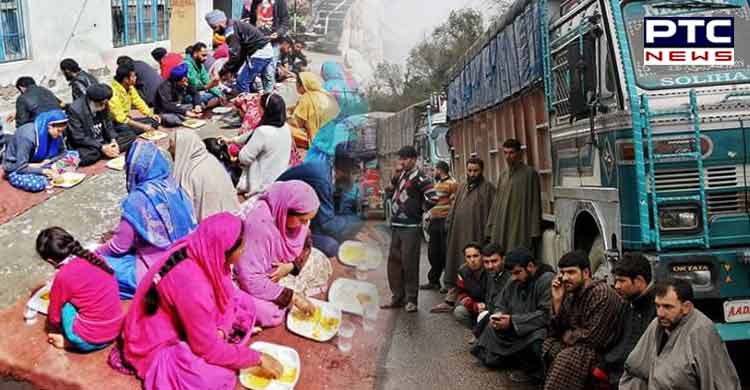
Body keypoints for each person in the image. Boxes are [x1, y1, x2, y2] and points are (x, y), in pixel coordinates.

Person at [122, 213, 284, 389]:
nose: (245, 250)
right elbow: (206, 349)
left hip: (188, 313)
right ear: (224, 251)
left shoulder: (203, 249)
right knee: (217, 378)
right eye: (242, 246)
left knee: (243, 301)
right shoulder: (192, 285)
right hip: (157, 341)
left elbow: (227, 292)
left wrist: (222, 329)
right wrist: (257, 358)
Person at [97, 141, 196, 283]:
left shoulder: (137, 199)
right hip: (189, 254)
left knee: (96, 265)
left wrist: (95, 252)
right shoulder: (173, 185)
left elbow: (118, 247)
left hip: (161, 268)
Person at [620, 279, 740, 390]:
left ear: (686, 307)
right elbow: (634, 367)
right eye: (657, 306)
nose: (660, 313)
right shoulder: (658, 324)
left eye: (667, 307)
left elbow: (720, 384)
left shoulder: (701, 332)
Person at [235, 181, 318, 327]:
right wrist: (293, 297)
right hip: (252, 276)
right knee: (272, 314)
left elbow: (306, 243)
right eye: (302, 220)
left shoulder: (292, 221)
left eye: (308, 220)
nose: (305, 225)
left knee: (319, 261)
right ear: (286, 211)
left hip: (280, 269)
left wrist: (291, 266)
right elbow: (249, 277)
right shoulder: (259, 224)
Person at [471, 248, 554, 383]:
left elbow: (546, 315)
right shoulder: (514, 279)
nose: (514, 277)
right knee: (489, 352)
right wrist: (499, 315)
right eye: (512, 274)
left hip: (534, 327)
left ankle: (534, 372)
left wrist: (513, 321)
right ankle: (513, 359)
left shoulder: (546, 279)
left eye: (517, 273)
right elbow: (501, 303)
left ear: (530, 266)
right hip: (515, 326)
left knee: (538, 339)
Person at [35, 227, 124, 352]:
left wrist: (52, 325)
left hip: (89, 341)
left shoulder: (63, 276)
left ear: (50, 261)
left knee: (65, 305)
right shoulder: (95, 258)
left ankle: (69, 342)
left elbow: (54, 316)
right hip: (116, 328)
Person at [543, 250, 622, 390]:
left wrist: (569, 335)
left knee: (567, 356)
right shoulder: (570, 293)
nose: (565, 277)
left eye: (571, 272)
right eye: (562, 273)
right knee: (548, 344)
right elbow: (555, 331)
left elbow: (593, 338)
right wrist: (557, 301)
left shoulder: (600, 293)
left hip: (601, 351)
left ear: (585, 273)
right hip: (579, 345)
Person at [276, 143, 363, 257]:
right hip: (281, 219)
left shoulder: (328, 167)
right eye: (356, 171)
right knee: (331, 246)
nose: (357, 175)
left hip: (296, 210)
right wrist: (356, 222)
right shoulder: (322, 180)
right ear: (348, 170)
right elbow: (328, 224)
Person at [382, 146, 436, 313]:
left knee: (409, 263)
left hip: (411, 226)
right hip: (397, 225)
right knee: (394, 262)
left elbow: (433, 198)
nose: (402, 162)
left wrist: (419, 210)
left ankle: (411, 299)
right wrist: (394, 179)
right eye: (401, 159)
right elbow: (390, 193)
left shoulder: (422, 178)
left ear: (413, 159)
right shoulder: (402, 176)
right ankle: (397, 297)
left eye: (405, 159)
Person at [598, 252, 656, 387]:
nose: (616, 286)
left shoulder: (658, 307)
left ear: (639, 281)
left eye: (621, 281)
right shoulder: (626, 304)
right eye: (616, 280)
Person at [444, 156, 495, 295]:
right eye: (470, 170)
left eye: (475, 171)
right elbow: (454, 208)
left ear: (482, 170)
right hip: (459, 234)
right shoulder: (462, 187)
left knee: (474, 263)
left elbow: (492, 213)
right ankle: (455, 290)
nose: (472, 174)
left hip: (476, 232)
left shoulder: (488, 188)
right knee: (457, 259)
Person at [226, 93, 292, 196]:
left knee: (224, 173)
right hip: (279, 176)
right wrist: (233, 140)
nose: (257, 109)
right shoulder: (285, 127)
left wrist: (235, 152)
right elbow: (251, 134)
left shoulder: (263, 132)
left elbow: (244, 158)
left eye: (259, 106)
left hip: (262, 184)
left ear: (266, 110)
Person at [169, 131, 240, 221]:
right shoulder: (210, 159)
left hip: (212, 225)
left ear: (183, 148)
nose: (169, 151)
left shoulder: (190, 172)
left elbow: (185, 208)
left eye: (172, 148)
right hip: (232, 218)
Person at [486, 138, 541, 253]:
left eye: (511, 153)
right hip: (502, 223)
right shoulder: (503, 175)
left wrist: (534, 231)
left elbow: (535, 203)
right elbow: (496, 203)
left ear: (519, 153)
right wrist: (490, 227)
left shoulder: (529, 174)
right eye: (505, 153)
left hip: (520, 225)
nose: (508, 156)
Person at [65, 84, 136, 166]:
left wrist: (113, 140)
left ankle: (110, 150)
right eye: (101, 104)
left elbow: (108, 124)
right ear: (91, 101)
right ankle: (107, 151)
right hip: (90, 144)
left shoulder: (104, 104)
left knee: (130, 135)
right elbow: (78, 137)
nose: (104, 107)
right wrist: (101, 147)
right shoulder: (75, 110)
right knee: (88, 156)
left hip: (104, 140)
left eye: (105, 104)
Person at [2, 110, 68, 192]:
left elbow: (63, 152)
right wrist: (45, 171)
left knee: (74, 155)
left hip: (41, 161)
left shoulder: (56, 134)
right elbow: (21, 167)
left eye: (62, 131)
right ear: (49, 126)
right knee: (37, 184)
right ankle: (44, 178)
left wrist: (48, 161)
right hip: (17, 166)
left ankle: (46, 175)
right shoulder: (27, 137)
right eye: (59, 131)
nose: (60, 134)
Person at [204, 10, 269, 83]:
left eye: (215, 27)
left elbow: (235, 56)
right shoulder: (233, 25)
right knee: (250, 81)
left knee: (242, 82)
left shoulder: (230, 32)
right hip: (263, 50)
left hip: (260, 52)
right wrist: (233, 70)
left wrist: (221, 73)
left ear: (221, 22)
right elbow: (240, 54)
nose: (215, 31)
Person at [422, 160, 458, 290]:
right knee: (433, 252)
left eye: (435, 169)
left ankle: (448, 283)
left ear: (440, 170)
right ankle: (434, 281)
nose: (433, 172)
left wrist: (450, 219)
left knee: (445, 252)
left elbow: (454, 204)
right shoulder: (437, 184)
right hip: (435, 221)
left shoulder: (452, 184)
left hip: (445, 221)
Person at [243, 0, 290, 88]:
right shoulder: (255, 2)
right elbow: (250, 20)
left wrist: (278, 32)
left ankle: (268, 98)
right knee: (253, 71)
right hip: (257, 41)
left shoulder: (280, 2)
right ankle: (252, 98)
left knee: (268, 73)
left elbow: (285, 21)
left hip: (273, 42)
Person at [289, 72, 340, 149]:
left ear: (302, 85)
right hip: (334, 135)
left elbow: (296, 123)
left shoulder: (306, 99)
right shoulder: (326, 94)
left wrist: (287, 117)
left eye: (297, 83)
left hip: (317, 139)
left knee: (287, 129)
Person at [110, 63, 161, 134]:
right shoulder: (113, 92)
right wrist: (142, 126)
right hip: (117, 123)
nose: (136, 78)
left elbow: (138, 101)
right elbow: (120, 119)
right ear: (126, 79)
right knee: (126, 129)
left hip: (127, 119)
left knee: (154, 121)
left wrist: (150, 114)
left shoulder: (130, 87)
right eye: (133, 76)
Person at [447, 243, 487, 327]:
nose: (472, 260)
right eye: (468, 257)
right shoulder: (462, 271)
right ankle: (477, 333)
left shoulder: (489, 268)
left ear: (482, 256)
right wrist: (474, 305)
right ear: (465, 258)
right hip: (475, 306)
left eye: (476, 256)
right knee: (459, 312)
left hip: (491, 306)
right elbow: (461, 294)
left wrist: (486, 306)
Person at [154, 63, 202, 127]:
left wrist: (197, 105)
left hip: (180, 107)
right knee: (169, 119)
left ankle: (186, 117)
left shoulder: (185, 82)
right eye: (183, 81)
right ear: (175, 82)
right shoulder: (164, 87)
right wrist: (185, 112)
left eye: (186, 80)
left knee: (199, 104)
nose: (185, 83)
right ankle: (185, 118)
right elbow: (167, 106)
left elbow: (195, 93)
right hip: (166, 111)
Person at [185, 42, 224, 108]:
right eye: (203, 55)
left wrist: (219, 94)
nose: (206, 58)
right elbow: (195, 84)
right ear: (195, 54)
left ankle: (203, 105)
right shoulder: (187, 65)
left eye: (206, 55)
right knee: (206, 97)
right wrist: (207, 86)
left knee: (219, 94)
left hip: (200, 91)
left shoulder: (200, 65)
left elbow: (206, 80)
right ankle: (201, 106)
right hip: (189, 94)